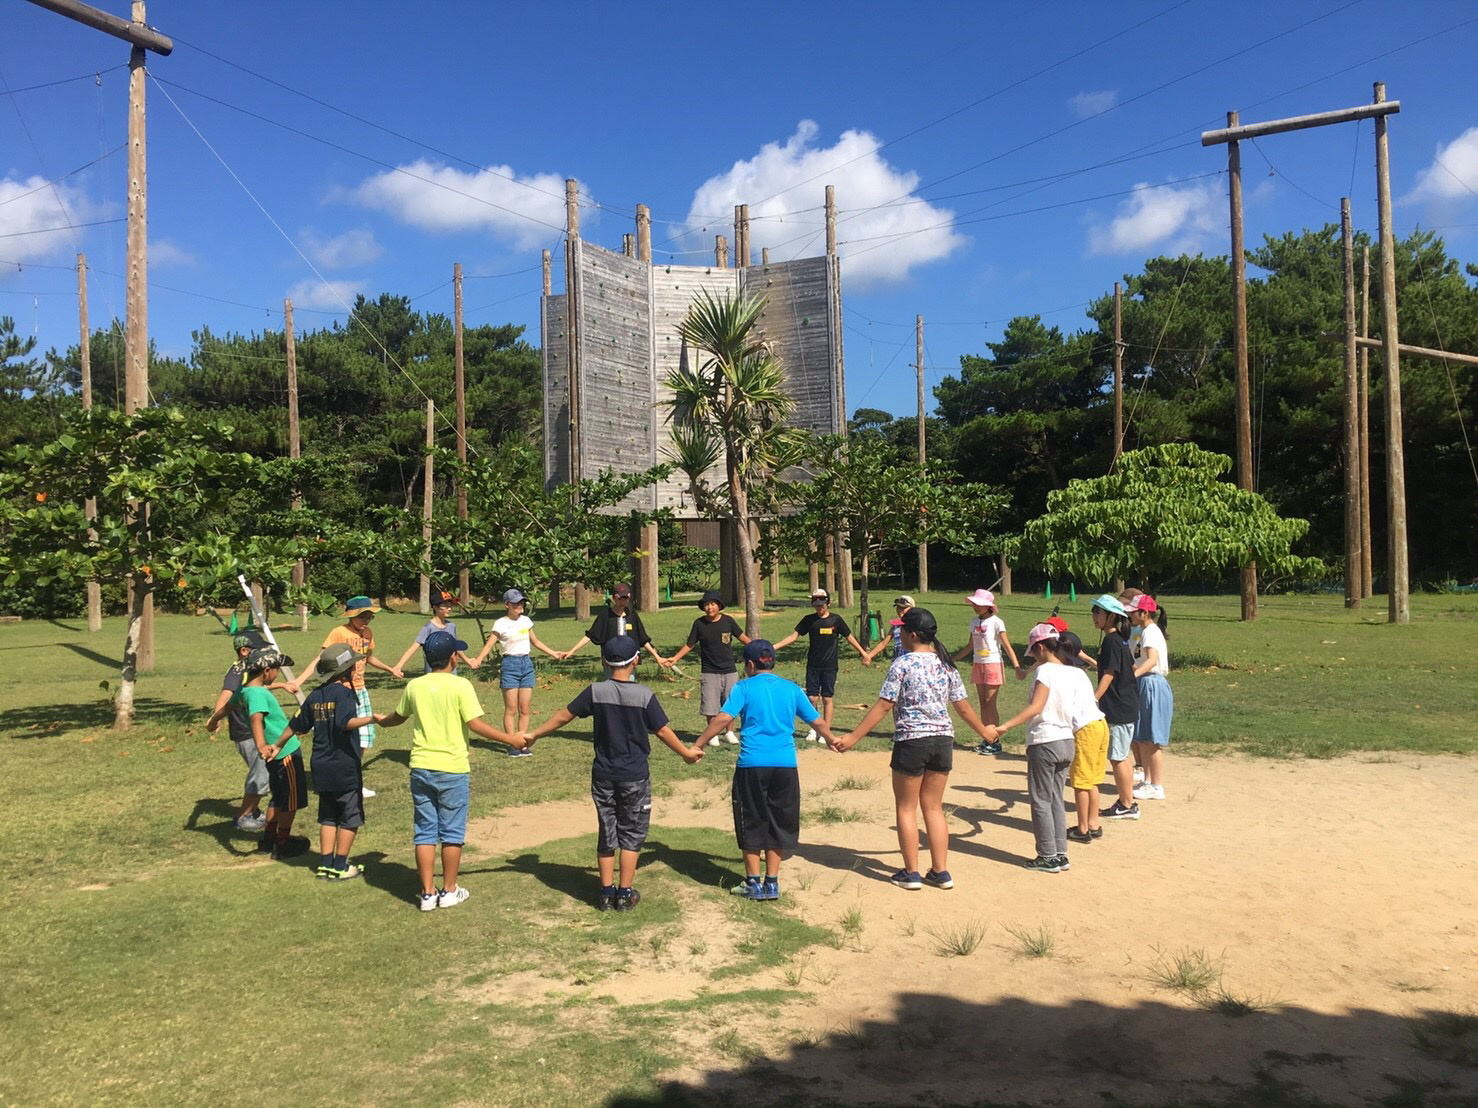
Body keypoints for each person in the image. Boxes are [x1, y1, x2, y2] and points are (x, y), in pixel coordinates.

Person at [524, 635, 702, 912]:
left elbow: (563, 716)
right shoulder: (644, 695)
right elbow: (663, 731)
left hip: (603, 774)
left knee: (607, 831)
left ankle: (605, 893)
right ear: (636, 661)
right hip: (634, 776)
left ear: (604, 661)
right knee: (631, 833)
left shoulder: (595, 692)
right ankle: (624, 893)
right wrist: (686, 753)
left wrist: (535, 733)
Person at [833, 608, 995, 891]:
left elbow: (885, 705)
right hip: (943, 741)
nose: (899, 635)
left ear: (912, 635)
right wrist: (986, 732)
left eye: (901, 630)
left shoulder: (902, 664)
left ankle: (911, 873)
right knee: (934, 807)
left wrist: (853, 738)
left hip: (912, 741)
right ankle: (941, 872)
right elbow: (964, 707)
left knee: (906, 808)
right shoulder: (946, 664)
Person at [375, 630, 528, 911]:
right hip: (453, 769)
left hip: (420, 766)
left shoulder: (415, 686)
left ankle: (427, 894)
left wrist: (380, 721)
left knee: (425, 831)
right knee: (452, 832)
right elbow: (476, 725)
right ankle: (449, 890)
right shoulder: (461, 687)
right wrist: (511, 739)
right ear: (453, 658)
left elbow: (396, 718)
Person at [690, 639, 834, 901]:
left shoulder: (743, 687)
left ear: (749, 665)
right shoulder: (791, 689)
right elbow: (816, 720)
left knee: (751, 819)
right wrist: (833, 740)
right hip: (785, 765)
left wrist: (699, 744)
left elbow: (724, 718)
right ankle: (772, 882)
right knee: (779, 821)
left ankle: (753, 883)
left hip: (753, 765)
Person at [981, 623, 1079, 874]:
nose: (1033, 657)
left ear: (1042, 648)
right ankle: (1060, 853)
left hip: (1045, 740)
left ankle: (1047, 855)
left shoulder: (1045, 671)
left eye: (1034, 652)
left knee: (1041, 800)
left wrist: (1004, 727)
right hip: (1067, 740)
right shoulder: (1072, 671)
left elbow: (1036, 707)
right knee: (1056, 798)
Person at [279, 643, 377, 880]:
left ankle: (325, 863)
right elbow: (345, 722)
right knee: (350, 817)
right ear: (346, 671)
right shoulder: (344, 694)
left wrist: (277, 745)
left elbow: (296, 725)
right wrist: (370, 718)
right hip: (344, 766)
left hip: (321, 766)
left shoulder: (315, 695)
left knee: (329, 816)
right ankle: (341, 865)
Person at [296, 595, 399, 799]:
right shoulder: (339, 632)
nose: (367, 620)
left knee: (364, 738)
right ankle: (342, 781)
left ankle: (354, 779)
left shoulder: (367, 633)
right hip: (341, 691)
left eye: (370, 616)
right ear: (352, 615)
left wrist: (390, 669)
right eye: (363, 616)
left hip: (360, 689)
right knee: (341, 737)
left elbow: (369, 658)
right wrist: (299, 681)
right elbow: (322, 659)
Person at [235, 647, 310, 860]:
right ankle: (283, 843)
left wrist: (214, 720)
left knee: (277, 797)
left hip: (272, 755)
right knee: (291, 800)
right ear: (267, 670)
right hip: (284, 750)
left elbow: (228, 706)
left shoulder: (246, 691)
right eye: (277, 669)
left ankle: (268, 840)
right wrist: (260, 744)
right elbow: (256, 718)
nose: (277, 673)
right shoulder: (258, 694)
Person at [772, 588, 869, 743]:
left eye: (822, 604)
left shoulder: (836, 620)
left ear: (828, 603)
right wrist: (774, 647)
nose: (819, 608)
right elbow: (793, 636)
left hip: (829, 666)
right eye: (816, 605)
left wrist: (863, 653)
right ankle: (814, 728)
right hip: (813, 665)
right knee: (812, 698)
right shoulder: (809, 620)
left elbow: (849, 637)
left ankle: (825, 730)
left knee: (827, 698)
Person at [474, 588, 561, 759]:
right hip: (510, 665)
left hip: (526, 664)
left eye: (521, 602)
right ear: (507, 605)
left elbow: (535, 642)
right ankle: (511, 743)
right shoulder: (500, 623)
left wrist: (553, 653)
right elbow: (490, 644)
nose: (520, 605)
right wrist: (478, 659)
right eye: (515, 603)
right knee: (511, 709)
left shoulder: (526, 621)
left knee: (525, 708)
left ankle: (522, 742)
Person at [663, 589, 750, 748]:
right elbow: (690, 644)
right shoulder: (699, 624)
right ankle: (713, 734)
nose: (710, 607)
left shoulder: (728, 621)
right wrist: (675, 658)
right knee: (710, 705)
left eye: (713, 604)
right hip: (709, 671)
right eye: (707, 604)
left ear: (719, 606)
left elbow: (744, 638)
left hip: (729, 670)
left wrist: (759, 649)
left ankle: (729, 732)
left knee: (730, 703)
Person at [204, 629, 270, 831]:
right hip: (246, 732)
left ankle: (254, 811)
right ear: (244, 651)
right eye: (259, 650)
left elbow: (251, 688)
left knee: (263, 771)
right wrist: (216, 719)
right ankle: (244, 816)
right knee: (261, 773)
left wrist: (283, 685)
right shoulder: (237, 672)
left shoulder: (247, 669)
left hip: (254, 729)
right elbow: (225, 697)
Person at [952, 588, 1024, 755]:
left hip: (993, 663)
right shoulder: (973, 622)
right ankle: (986, 737)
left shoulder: (997, 622)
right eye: (975, 604)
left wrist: (1017, 666)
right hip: (978, 664)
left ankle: (995, 740)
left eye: (980, 604)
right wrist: (953, 659)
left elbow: (1006, 645)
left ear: (989, 606)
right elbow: (970, 646)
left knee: (990, 702)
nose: (976, 607)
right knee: (982, 702)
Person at [1090, 594, 1142, 821]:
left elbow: (1109, 674)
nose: (1094, 616)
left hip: (1119, 707)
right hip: (1126, 703)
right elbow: (1129, 666)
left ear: (1111, 617)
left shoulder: (1112, 640)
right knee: (1120, 756)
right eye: (1094, 611)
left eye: (1098, 612)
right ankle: (1127, 800)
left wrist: (1094, 699)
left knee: (1118, 757)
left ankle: (1127, 804)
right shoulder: (1118, 639)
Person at [1056, 631, 1109, 845]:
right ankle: (1093, 823)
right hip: (1100, 724)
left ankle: (1083, 828)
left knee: (1080, 782)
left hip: (1085, 730)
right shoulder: (1080, 672)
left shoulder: (1062, 674)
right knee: (1093, 780)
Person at [1128, 594, 1173, 802]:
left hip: (1152, 683)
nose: (1130, 614)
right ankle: (1147, 781)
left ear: (1144, 613)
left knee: (1152, 739)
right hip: (1145, 682)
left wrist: (1133, 675)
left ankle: (1156, 784)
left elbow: (1152, 660)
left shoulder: (1150, 633)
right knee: (1143, 737)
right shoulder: (1144, 631)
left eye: (1133, 611)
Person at [559, 582, 669, 667]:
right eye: (620, 598)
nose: (623, 601)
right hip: (610, 661)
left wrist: (656, 657)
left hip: (630, 662)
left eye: (625, 598)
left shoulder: (633, 616)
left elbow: (643, 639)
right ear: (614, 597)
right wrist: (572, 651)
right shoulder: (605, 615)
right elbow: (591, 635)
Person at [391, 591, 476, 677]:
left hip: (451, 673)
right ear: (435, 607)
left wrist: (468, 661)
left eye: (450, 605)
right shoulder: (428, 628)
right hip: (433, 673)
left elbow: (455, 648)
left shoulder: (451, 626)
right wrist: (399, 666)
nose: (449, 608)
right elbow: (413, 648)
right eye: (445, 605)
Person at [862, 595, 915, 666]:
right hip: (898, 662)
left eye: (903, 608)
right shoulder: (896, 626)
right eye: (898, 607)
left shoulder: (916, 624)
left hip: (912, 661)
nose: (900, 610)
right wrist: (869, 656)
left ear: (912, 609)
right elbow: (884, 643)